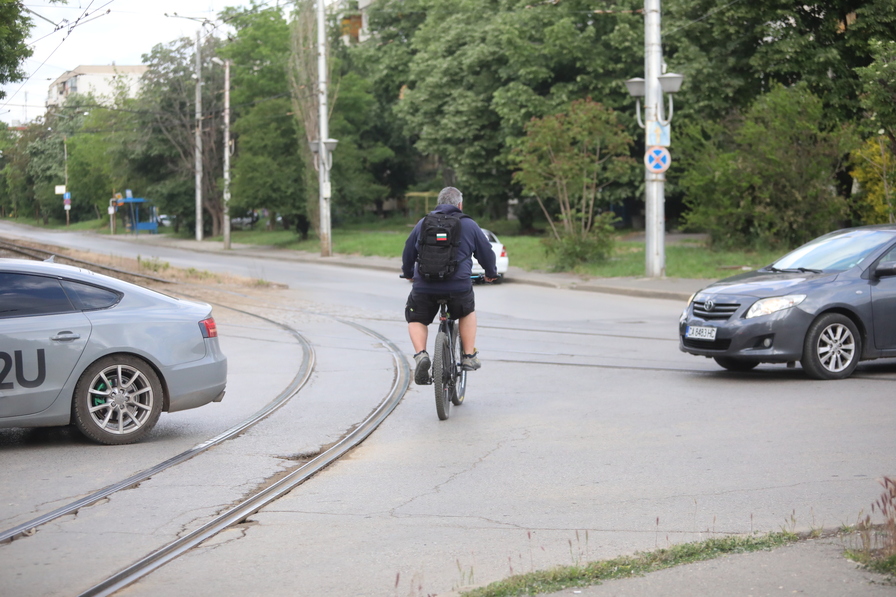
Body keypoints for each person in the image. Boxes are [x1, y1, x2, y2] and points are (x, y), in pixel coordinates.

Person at [402, 186, 498, 385]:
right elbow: (486, 252)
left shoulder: (423, 223)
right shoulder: (469, 225)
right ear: (460, 204)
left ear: (438, 203)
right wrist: (490, 273)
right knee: (466, 311)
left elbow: (408, 250)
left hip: (425, 286)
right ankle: (468, 356)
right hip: (458, 287)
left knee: (416, 317)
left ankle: (421, 355)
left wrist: (410, 273)